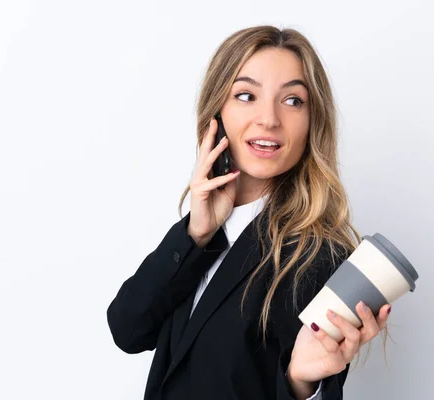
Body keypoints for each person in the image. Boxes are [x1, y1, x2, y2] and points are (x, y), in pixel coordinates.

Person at [106, 25, 391, 400]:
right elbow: (128, 330)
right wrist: (195, 234)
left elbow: (304, 376)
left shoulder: (319, 257)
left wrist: (302, 383)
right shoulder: (202, 231)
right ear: (216, 112)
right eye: (246, 95)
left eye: (292, 101)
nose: (269, 119)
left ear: (311, 122)